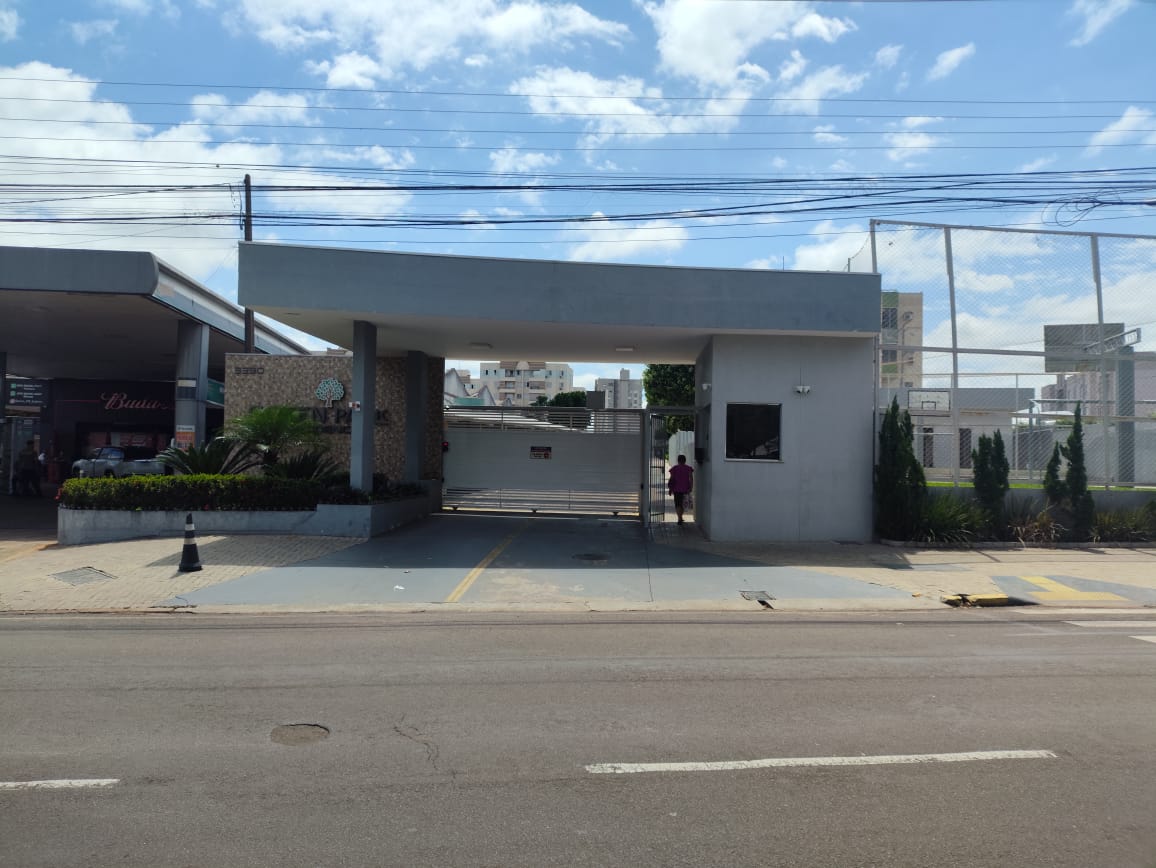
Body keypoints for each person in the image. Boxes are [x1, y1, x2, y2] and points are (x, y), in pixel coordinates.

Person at [667, 453, 694, 524]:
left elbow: (671, 479)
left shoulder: (674, 468)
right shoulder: (688, 468)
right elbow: (691, 478)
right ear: (685, 460)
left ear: (678, 460)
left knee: (678, 504)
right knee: (683, 504)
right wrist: (691, 487)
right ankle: (680, 517)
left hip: (676, 489)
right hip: (685, 489)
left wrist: (670, 489)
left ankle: (679, 518)